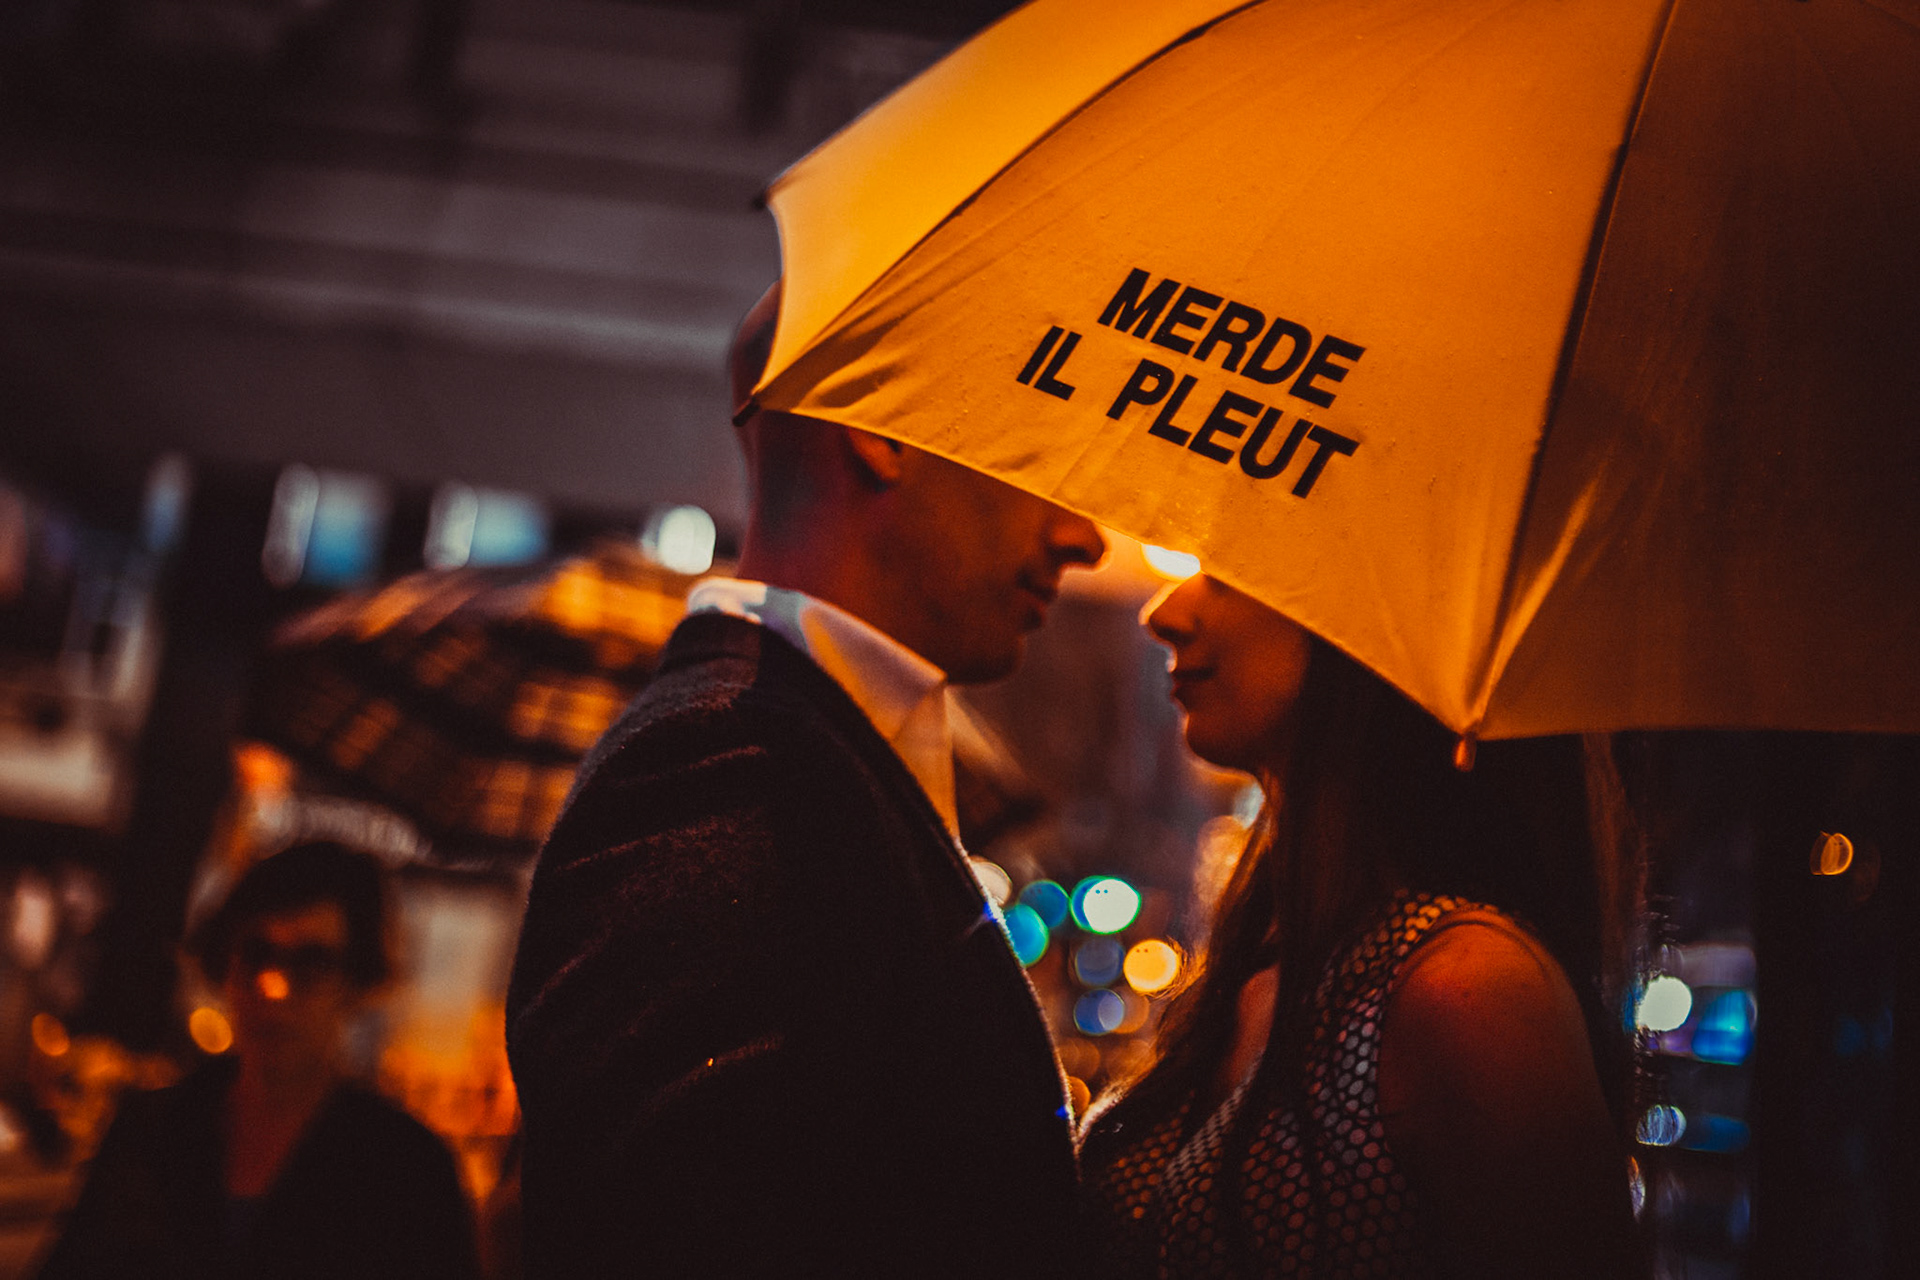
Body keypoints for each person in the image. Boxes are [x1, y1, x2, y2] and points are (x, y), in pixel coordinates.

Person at [504, 283, 1108, 1277]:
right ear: (887, 433)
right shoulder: (729, 769)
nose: (1082, 536)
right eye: (1040, 450)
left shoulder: (793, 755)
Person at [1079, 573, 1645, 1278]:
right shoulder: (1283, 962)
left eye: (1228, 577)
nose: (1166, 611)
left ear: (1384, 617)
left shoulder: (1465, 988)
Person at [37, 841, 480, 1280]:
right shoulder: (149, 1131)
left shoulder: (407, 1171)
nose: (273, 988)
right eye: (256, 954)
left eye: (311, 963)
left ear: (356, 982)